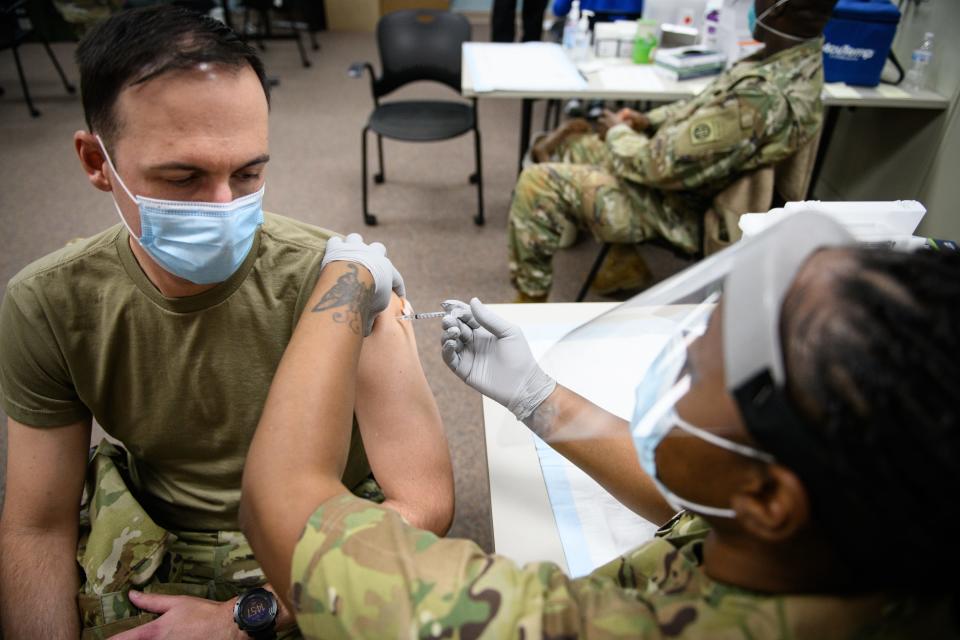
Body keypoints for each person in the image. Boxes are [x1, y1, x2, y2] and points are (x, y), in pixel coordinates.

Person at [239, 213, 960, 638]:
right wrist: (538, 398)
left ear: (771, 499)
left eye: (696, 377)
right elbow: (700, 512)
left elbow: (283, 507)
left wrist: (343, 289)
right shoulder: (865, 537)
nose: (670, 377)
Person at [0, 6, 453, 638]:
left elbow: (423, 503)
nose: (224, 208)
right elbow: (37, 525)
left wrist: (246, 616)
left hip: (321, 533)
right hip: (160, 536)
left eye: (249, 173)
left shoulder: (342, 280)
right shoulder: (52, 302)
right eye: (183, 177)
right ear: (96, 162)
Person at [509, 0, 837, 301]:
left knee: (537, 182)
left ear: (779, 9)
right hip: (684, 177)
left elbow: (655, 165)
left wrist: (619, 134)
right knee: (572, 143)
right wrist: (646, 119)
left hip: (686, 207)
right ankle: (621, 263)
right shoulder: (789, 62)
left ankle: (530, 307)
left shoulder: (764, 96)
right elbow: (701, 108)